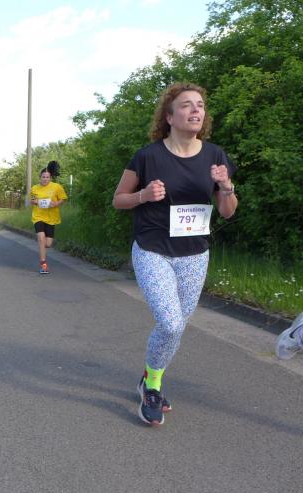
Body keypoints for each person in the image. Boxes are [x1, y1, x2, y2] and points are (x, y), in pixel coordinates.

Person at [112, 82, 238, 427]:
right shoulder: (148, 156)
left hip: (195, 254)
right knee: (170, 322)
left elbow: (227, 211)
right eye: (186, 105)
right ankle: (153, 387)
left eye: (200, 105)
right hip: (153, 250)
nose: (196, 110)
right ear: (169, 117)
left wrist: (226, 186)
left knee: (177, 327)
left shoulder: (215, 156)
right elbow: (118, 199)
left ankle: (148, 377)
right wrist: (143, 196)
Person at [30, 167, 67, 274]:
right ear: (40, 177)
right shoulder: (34, 188)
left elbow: (63, 198)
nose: (45, 179)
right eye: (43, 177)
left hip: (51, 218)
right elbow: (32, 200)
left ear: (50, 178)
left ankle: (42, 246)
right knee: (41, 238)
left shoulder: (56, 187)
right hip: (38, 216)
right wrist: (37, 202)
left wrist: (56, 203)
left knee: (48, 244)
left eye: (47, 177)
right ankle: (43, 265)